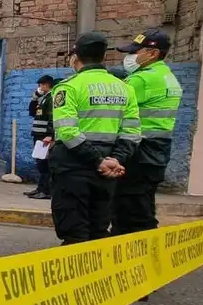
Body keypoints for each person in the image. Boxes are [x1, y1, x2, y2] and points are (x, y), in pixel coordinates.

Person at [49, 32, 141, 245]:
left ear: (75, 57)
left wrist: (98, 161)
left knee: (74, 232)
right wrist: (115, 159)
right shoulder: (125, 88)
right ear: (103, 56)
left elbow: (67, 131)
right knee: (98, 230)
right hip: (108, 170)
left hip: (74, 166)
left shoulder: (69, 87)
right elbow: (132, 132)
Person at [111, 29, 182, 241]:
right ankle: (147, 248)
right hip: (157, 149)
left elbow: (115, 107)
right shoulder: (167, 77)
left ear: (153, 53)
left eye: (135, 52)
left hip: (138, 151)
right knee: (143, 205)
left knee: (127, 208)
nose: (130, 56)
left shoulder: (142, 80)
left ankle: (130, 250)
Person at [25, 75, 56, 199]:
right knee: (40, 163)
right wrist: (35, 97)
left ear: (47, 85)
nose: (39, 87)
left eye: (41, 85)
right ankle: (40, 188)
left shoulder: (51, 98)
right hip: (38, 135)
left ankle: (46, 190)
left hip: (44, 136)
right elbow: (32, 112)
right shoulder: (43, 98)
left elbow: (52, 117)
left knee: (45, 164)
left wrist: (50, 135)